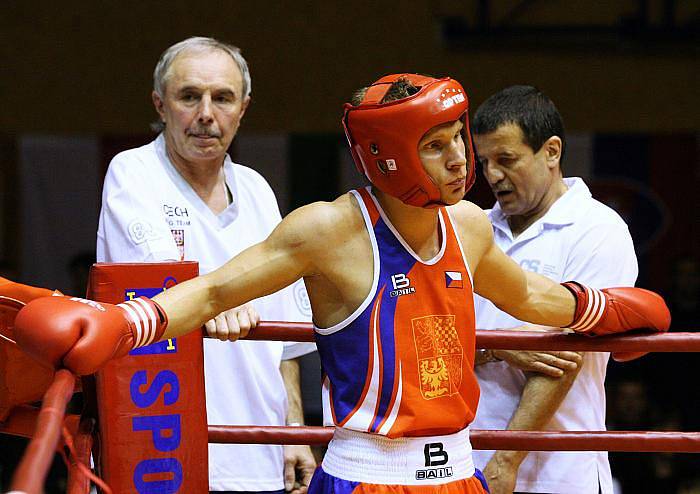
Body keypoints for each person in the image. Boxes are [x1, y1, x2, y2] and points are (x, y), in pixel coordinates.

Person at [14, 73, 670, 493]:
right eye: (437, 144)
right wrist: (123, 324)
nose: (460, 159)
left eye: (458, 139)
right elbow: (215, 292)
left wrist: (607, 311)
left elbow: (529, 298)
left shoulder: (468, 225)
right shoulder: (327, 230)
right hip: (367, 475)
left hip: (459, 474)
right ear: (389, 156)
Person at [95, 37, 316, 493]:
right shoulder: (132, 173)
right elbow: (163, 292)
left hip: (259, 451)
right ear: (160, 104)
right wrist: (218, 302)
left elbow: (286, 339)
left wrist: (293, 433)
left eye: (222, 98)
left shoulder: (257, 190)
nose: (206, 114)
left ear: (243, 108)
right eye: (189, 96)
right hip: (161, 452)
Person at [469, 85, 638, 494]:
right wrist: (497, 346)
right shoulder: (469, 230)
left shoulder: (598, 230)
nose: (492, 175)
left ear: (552, 152)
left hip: (558, 472)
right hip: (462, 461)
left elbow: (567, 355)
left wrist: (505, 459)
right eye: (485, 161)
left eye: (506, 159)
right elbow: (439, 334)